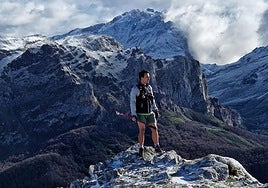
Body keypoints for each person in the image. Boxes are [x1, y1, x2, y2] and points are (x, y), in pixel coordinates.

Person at [130, 70, 162, 156]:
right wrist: (133, 114)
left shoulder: (149, 88)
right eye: (147, 77)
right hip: (140, 114)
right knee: (142, 130)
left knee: (154, 129)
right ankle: (141, 148)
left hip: (150, 112)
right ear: (141, 78)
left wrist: (155, 109)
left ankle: (157, 146)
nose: (149, 78)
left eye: (149, 77)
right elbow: (132, 102)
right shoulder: (135, 89)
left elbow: (152, 99)